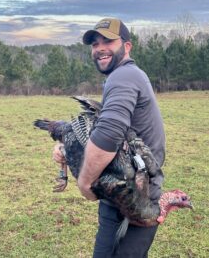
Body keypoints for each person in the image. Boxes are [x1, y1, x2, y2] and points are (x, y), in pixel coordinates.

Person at [53, 18, 165, 258]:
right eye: (95, 43)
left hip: (136, 197)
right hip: (119, 193)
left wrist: (84, 183)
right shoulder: (124, 76)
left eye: (108, 41)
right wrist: (67, 149)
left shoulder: (123, 76)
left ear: (127, 46)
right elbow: (102, 129)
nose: (99, 48)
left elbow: (107, 136)